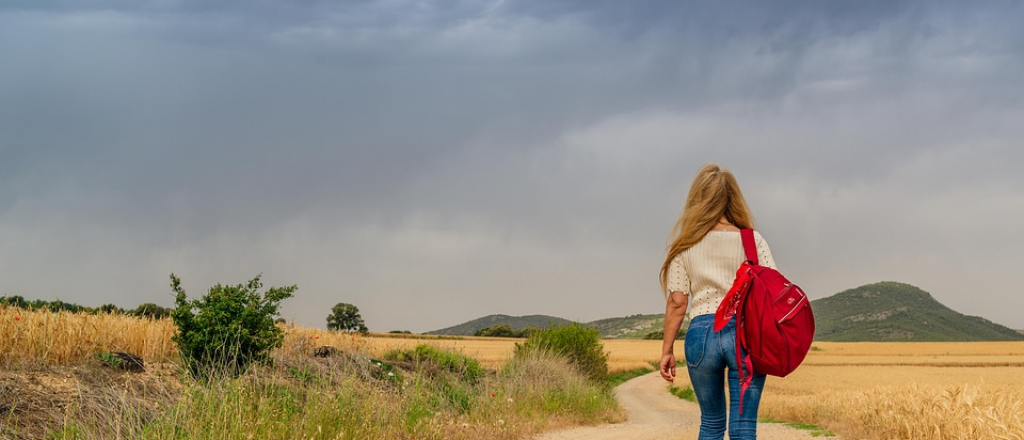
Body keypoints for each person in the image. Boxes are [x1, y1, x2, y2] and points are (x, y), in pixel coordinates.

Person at [658, 163, 776, 440]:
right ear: (734, 198)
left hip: (701, 335)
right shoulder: (752, 240)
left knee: (710, 423)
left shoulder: (685, 244)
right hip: (744, 335)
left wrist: (667, 350)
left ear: (696, 199)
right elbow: (772, 289)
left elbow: (677, 302)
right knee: (743, 427)